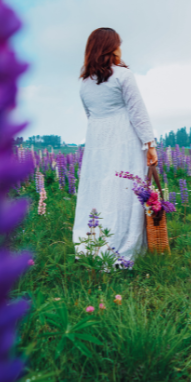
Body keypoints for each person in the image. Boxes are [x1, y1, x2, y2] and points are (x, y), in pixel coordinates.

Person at [73, 27, 158, 264]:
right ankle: (124, 246)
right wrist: (149, 144)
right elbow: (137, 111)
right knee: (124, 191)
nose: (121, 48)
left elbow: (90, 115)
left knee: (98, 191)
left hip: (97, 142)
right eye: (118, 44)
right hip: (124, 138)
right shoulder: (122, 75)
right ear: (110, 47)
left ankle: (93, 245)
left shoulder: (85, 83)